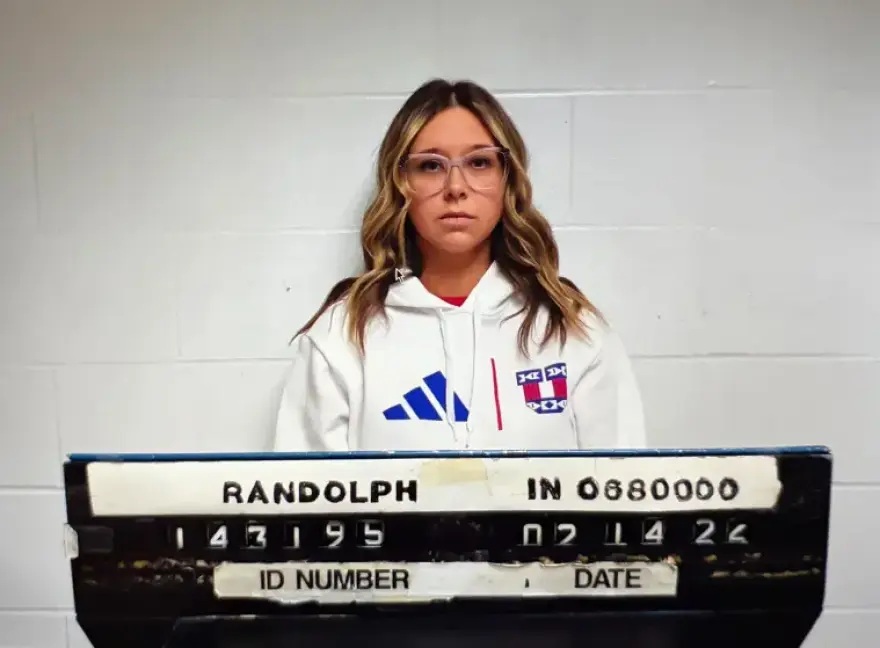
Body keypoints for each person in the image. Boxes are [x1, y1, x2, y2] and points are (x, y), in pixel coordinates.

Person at [273, 78, 646, 452]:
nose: (455, 187)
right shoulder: (341, 336)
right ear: (400, 182)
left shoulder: (574, 331)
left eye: (479, 162)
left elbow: (623, 480)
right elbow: (304, 487)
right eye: (430, 165)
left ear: (507, 178)